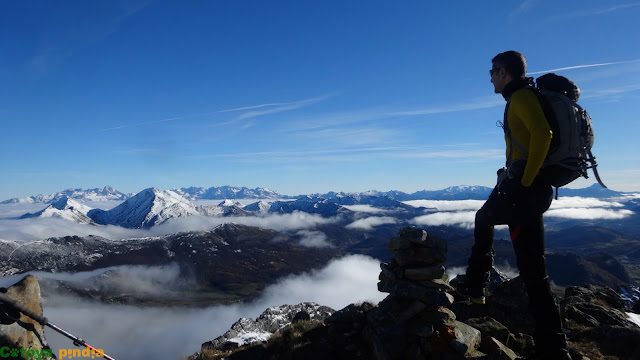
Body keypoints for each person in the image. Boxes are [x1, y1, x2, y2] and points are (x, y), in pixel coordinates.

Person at [463, 50, 571, 360]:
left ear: (505, 72)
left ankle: (476, 294)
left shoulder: (522, 98)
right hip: (527, 191)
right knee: (533, 269)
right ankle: (554, 346)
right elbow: (531, 140)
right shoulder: (522, 98)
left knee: (486, 222)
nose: (490, 77)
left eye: (493, 72)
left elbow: (543, 134)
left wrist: (524, 180)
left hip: (523, 192)